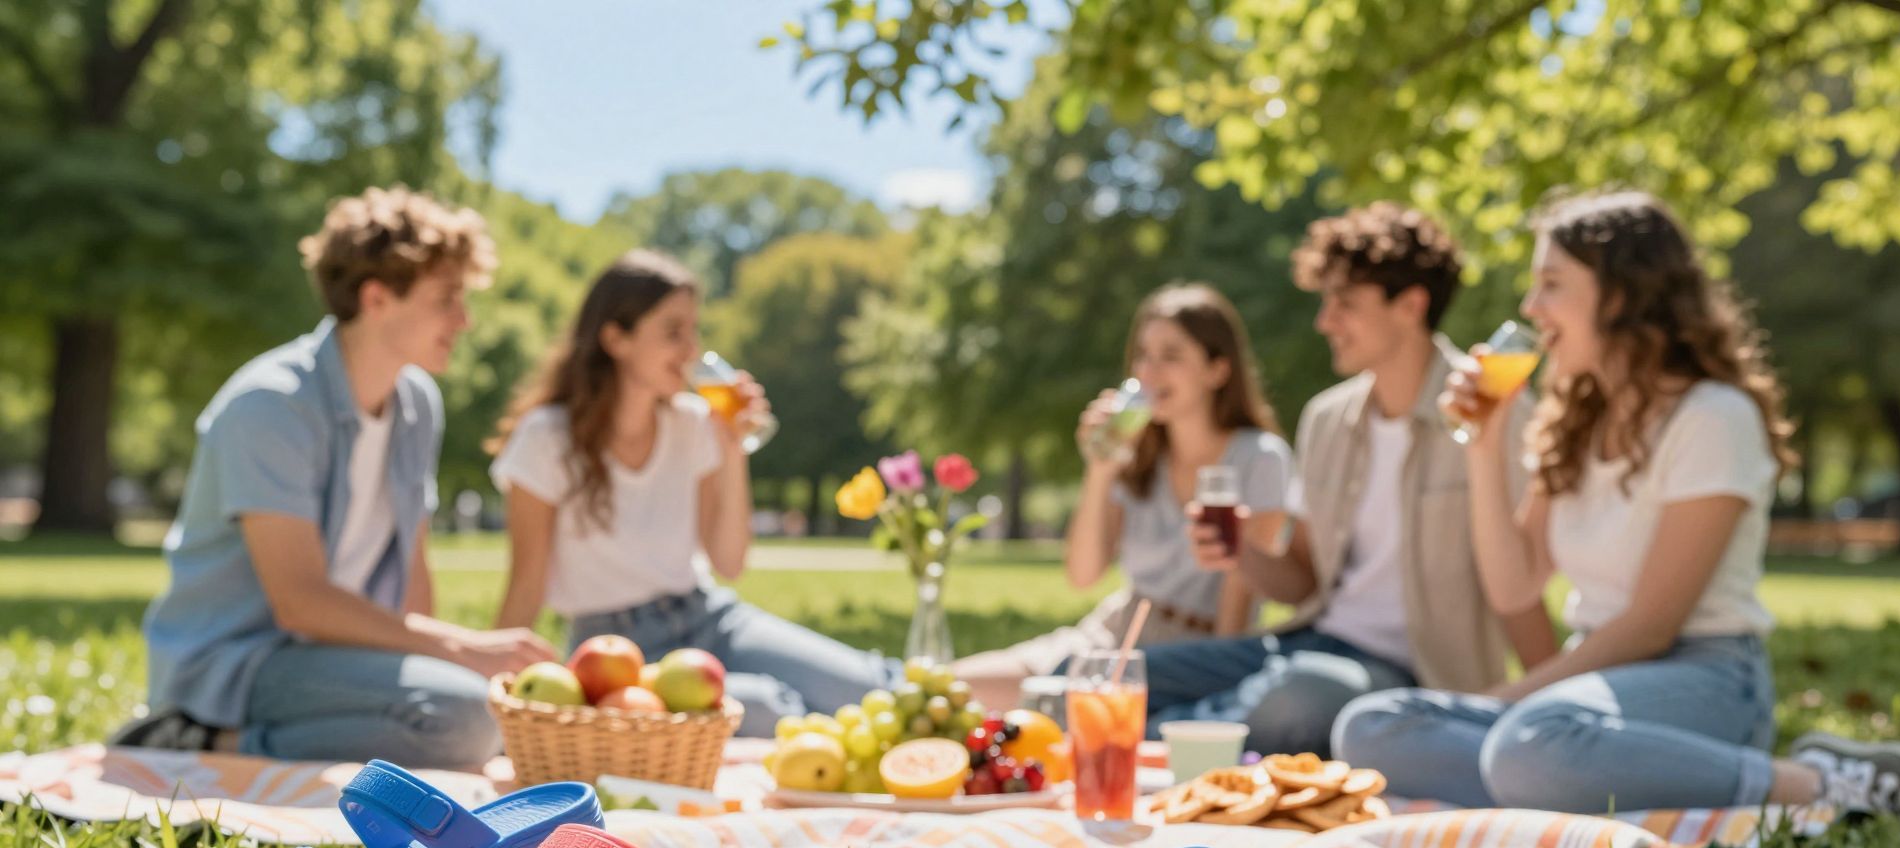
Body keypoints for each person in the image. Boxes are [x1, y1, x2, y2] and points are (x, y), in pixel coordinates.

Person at [1332, 190, 1900, 817]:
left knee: (1529, 742)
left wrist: (1513, 700)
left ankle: (1822, 786)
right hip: (1593, 686)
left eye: (1551, 284)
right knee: (1370, 726)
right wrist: (1483, 442)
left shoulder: (1714, 417)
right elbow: (1514, 584)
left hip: (1708, 678)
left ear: (1623, 295)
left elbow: (1653, 625)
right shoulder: (1572, 420)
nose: (1530, 307)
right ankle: (1581, 780)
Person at [121, 186, 541, 766]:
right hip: (238, 661)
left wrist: (447, 660)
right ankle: (194, 739)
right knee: (464, 719)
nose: (464, 320)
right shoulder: (271, 404)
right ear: (376, 298)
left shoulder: (417, 403)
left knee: (482, 710)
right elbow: (299, 602)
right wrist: (462, 649)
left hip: (336, 653)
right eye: (447, 298)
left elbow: (413, 570)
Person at [1137, 203, 1557, 756]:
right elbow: (1303, 581)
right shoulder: (1328, 420)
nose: (1324, 321)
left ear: (1410, 305)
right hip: (1311, 643)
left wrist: (1547, 703)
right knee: (1119, 673)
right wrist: (1242, 551)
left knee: (1292, 702)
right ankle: (1179, 738)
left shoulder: (1496, 414)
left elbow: (1519, 587)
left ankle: (1163, 745)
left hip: (1411, 673)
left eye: (1346, 303)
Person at [488, 249, 890, 735]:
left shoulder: (694, 424)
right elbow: (525, 586)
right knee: (770, 709)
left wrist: (731, 448)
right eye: (673, 332)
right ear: (615, 338)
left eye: (693, 331)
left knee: (868, 691)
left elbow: (729, 563)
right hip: (620, 656)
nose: (691, 350)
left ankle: (1001, 681)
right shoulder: (547, 438)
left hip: (709, 618)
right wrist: (496, 697)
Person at [953, 284, 1294, 712]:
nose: (1150, 372)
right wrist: (1101, 467)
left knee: (1046, 707)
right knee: (954, 686)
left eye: (1171, 356)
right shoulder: (1138, 457)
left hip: (1197, 647)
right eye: (1143, 355)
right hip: (1117, 631)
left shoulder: (1258, 457)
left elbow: (1240, 597)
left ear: (1217, 370)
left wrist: (1214, 685)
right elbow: (1083, 573)